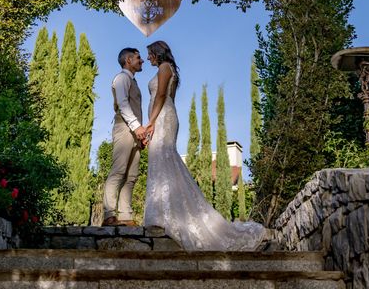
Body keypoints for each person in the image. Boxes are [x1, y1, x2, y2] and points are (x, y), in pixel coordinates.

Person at [143, 40, 266, 250]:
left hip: (162, 118)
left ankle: (167, 215)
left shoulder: (164, 67)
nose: (148, 58)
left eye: (149, 54)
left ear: (157, 53)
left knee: (164, 160)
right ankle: (164, 213)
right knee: (164, 163)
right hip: (166, 116)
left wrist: (151, 122)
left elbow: (162, 95)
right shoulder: (169, 68)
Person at [102, 47, 147, 226]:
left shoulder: (133, 81)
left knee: (132, 175)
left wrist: (141, 135)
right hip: (124, 128)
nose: (141, 60)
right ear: (128, 60)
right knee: (118, 171)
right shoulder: (121, 78)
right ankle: (109, 215)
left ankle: (125, 215)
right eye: (138, 57)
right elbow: (122, 104)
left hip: (135, 132)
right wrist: (137, 127)